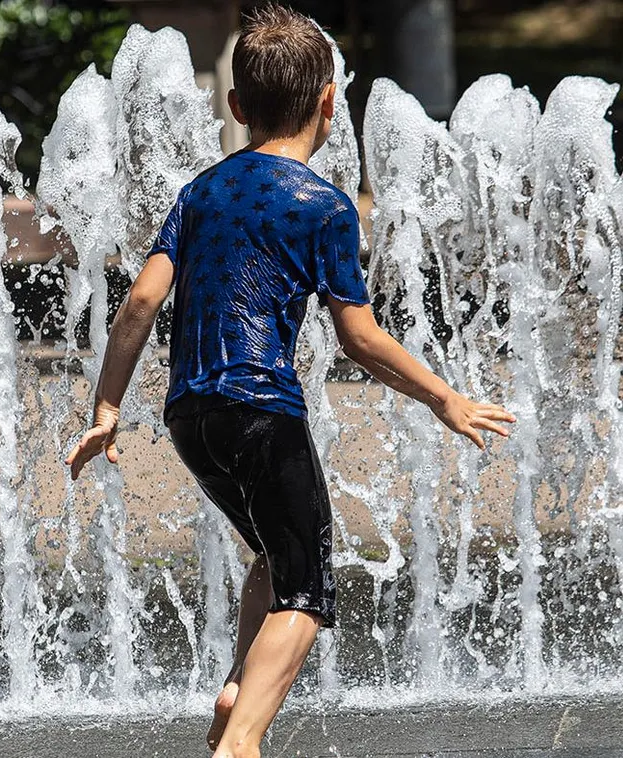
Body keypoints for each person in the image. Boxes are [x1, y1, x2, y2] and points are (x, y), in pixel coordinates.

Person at [64, 6, 514, 757]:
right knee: (307, 592)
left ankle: (237, 694)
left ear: (236, 107)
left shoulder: (200, 193)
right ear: (330, 102)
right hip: (260, 408)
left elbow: (141, 300)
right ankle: (239, 744)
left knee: (275, 560)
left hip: (190, 416)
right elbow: (358, 337)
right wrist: (445, 397)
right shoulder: (324, 207)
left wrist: (106, 407)